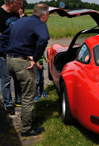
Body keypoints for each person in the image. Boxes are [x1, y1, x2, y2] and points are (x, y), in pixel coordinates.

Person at [0, 3, 50, 137]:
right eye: (48, 15)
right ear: (44, 15)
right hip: (23, 63)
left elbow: (3, 37)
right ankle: (26, 128)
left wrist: (6, 52)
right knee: (28, 96)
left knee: (23, 92)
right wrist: (36, 57)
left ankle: (30, 117)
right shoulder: (40, 24)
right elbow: (44, 39)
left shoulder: (20, 21)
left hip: (10, 61)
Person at [0, 0, 23, 114]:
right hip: (3, 52)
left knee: (18, 77)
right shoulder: (0, 13)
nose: (21, 6)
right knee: (6, 80)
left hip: (16, 50)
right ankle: (8, 104)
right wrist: (5, 51)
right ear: (11, 2)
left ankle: (18, 100)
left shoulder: (15, 13)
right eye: (19, 3)